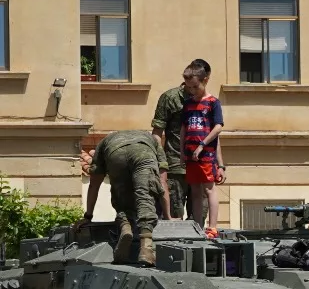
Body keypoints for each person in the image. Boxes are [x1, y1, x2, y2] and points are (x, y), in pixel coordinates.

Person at [80, 130, 171, 265]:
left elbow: (94, 184)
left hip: (115, 153)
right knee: (144, 196)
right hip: (143, 152)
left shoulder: (105, 140)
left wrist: (88, 216)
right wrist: (168, 216)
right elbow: (163, 183)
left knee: (121, 198)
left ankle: (125, 228)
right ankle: (146, 249)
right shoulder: (152, 140)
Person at [149, 58, 209, 222]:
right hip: (175, 166)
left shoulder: (208, 101)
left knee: (199, 216)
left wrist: (220, 164)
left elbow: (213, 134)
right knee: (174, 215)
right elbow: (157, 133)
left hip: (201, 165)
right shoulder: (170, 98)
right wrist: (160, 163)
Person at [180, 62, 224, 237]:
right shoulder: (188, 104)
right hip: (190, 155)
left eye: (195, 86)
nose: (192, 90)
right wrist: (182, 151)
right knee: (195, 191)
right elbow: (184, 128)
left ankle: (212, 226)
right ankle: (198, 227)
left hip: (206, 155)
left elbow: (218, 127)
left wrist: (202, 145)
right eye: (189, 87)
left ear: (205, 80)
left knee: (209, 189)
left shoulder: (213, 103)